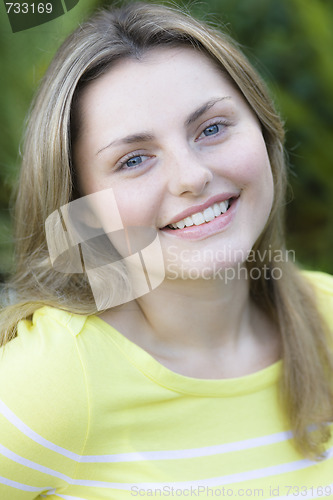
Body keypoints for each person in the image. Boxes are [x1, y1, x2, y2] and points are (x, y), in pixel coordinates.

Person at [0, 2, 333, 499]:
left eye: (213, 128)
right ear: (82, 207)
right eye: (134, 159)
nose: (192, 175)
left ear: (265, 133)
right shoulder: (50, 382)